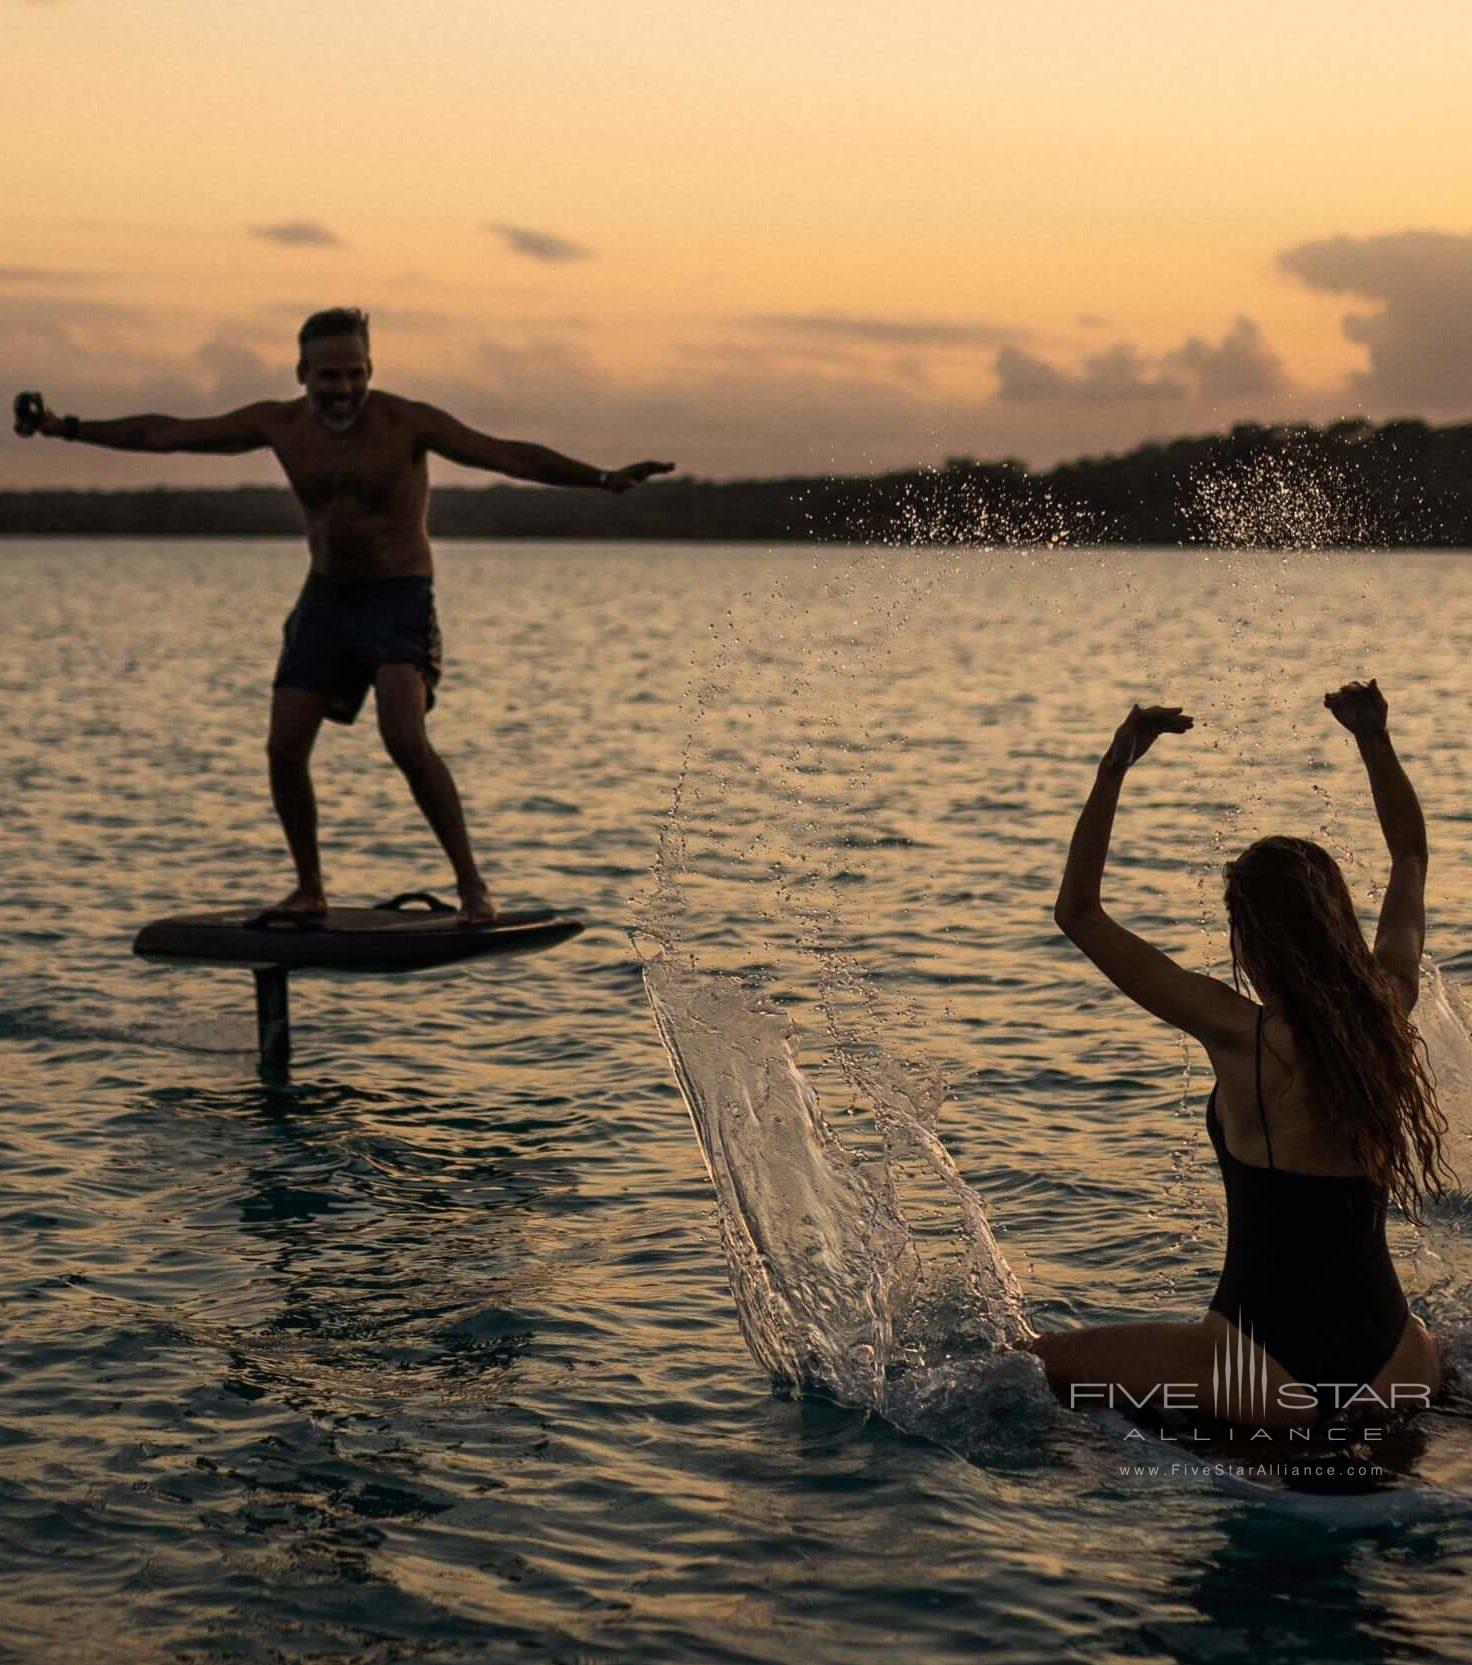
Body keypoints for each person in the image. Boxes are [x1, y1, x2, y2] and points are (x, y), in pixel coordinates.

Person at [15, 308, 673, 922]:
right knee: (283, 746)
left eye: (356, 373)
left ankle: (474, 889)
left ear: (370, 371)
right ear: (303, 375)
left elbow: (507, 455)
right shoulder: (280, 425)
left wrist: (601, 478)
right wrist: (64, 427)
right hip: (328, 596)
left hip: (398, 595)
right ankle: (309, 888)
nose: (344, 388)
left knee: (404, 737)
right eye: (330, 375)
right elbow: (166, 434)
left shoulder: (405, 423)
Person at [1027, 680, 1454, 1430]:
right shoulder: (1388, 1009)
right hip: (1397, 1365)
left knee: (1019, 1370)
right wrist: (1373, 740)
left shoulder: (1238, 1034)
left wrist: (1114, 769)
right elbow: (1411, 853)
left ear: (1253, 943)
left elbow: (1079, 911)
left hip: (1258, 1367)